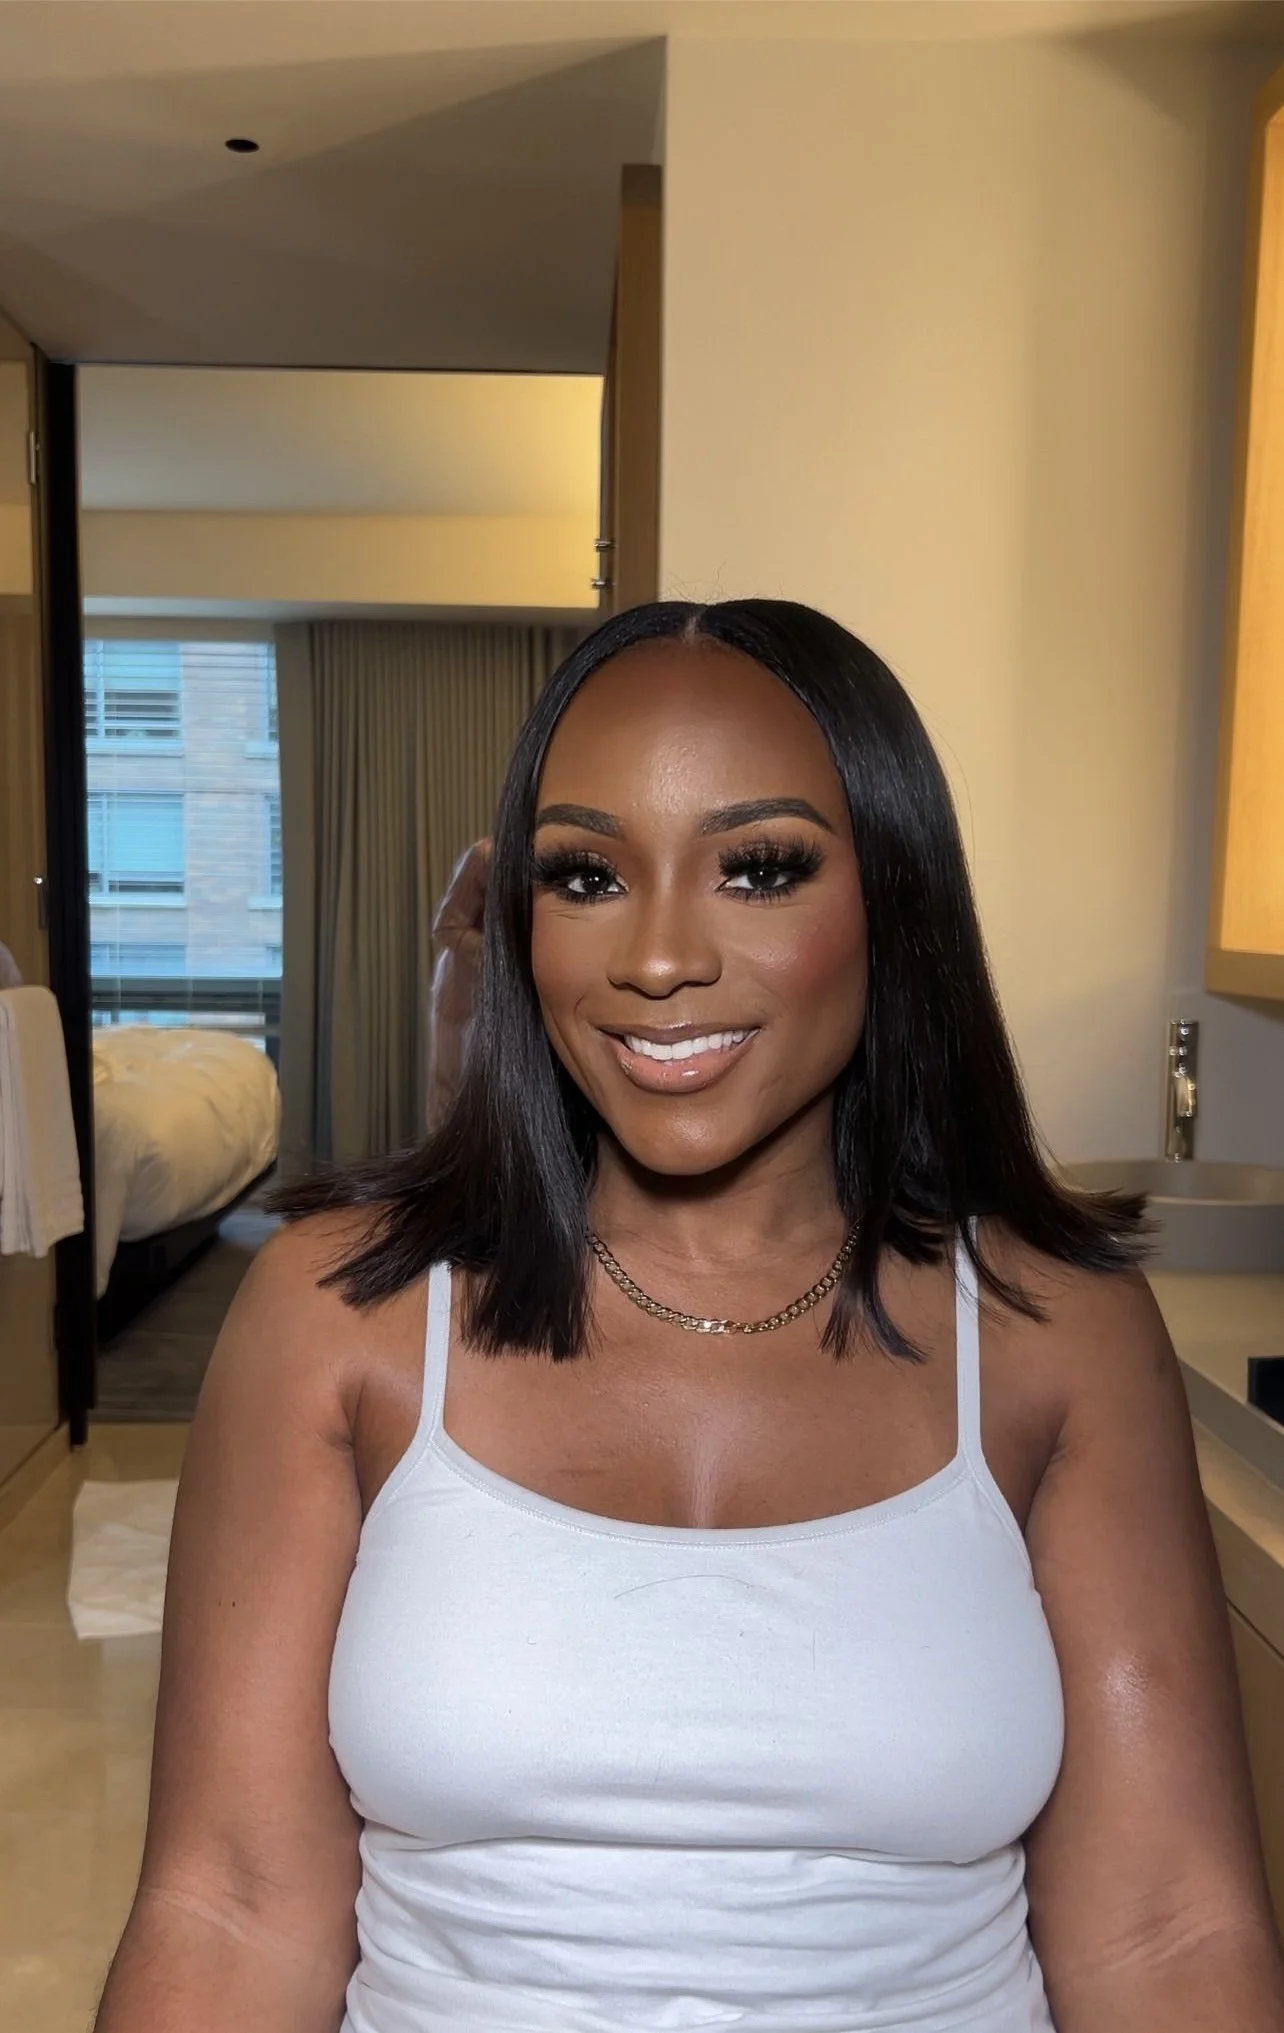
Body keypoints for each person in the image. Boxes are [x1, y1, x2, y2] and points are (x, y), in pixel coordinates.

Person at [95, 600, 1284, 2033]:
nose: (656, 958)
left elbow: (1166, 1933)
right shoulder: (341, 1312)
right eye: (587, 877)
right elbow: (227, 1908)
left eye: (759, 868)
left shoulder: (1055, 1332)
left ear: (893, 900)